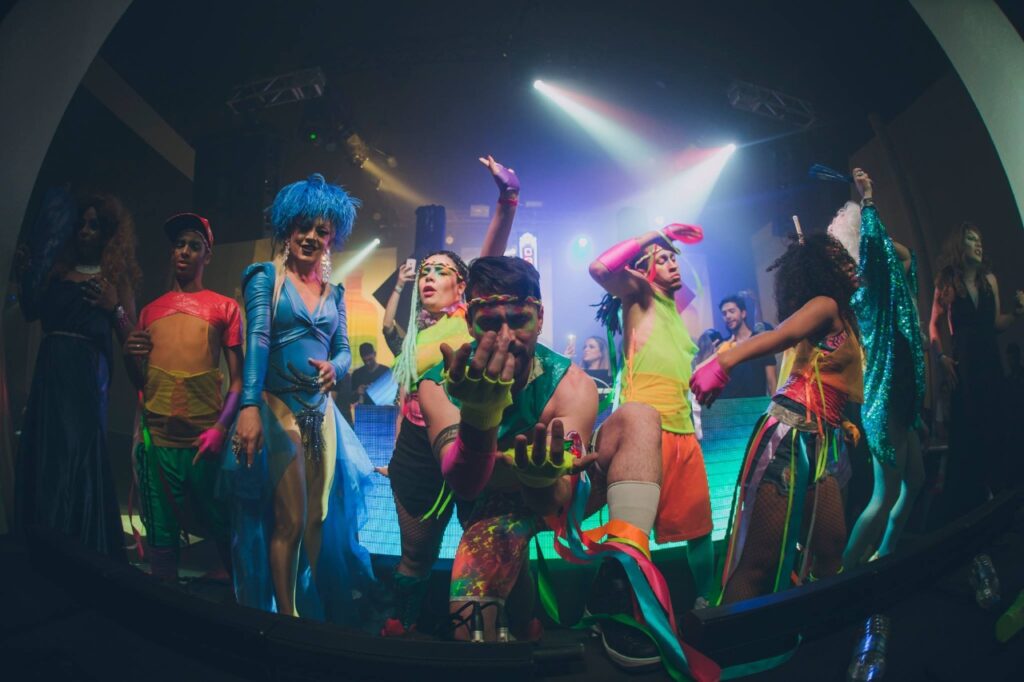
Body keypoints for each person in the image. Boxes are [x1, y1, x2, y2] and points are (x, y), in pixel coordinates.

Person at [418, 257, 716, 681]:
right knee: (472, 635)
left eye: (518, 319)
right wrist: (480, 417)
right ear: (469, 323)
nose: (506, 337)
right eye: (490, 323)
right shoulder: (437, 385)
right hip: (490, 509)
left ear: (539, 318)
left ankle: (619, 582)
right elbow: (466, 486)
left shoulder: (570, 384)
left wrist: (537, 475)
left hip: (555, 495)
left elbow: (557, 499)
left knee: (639, 417)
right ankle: (523, 624)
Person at [379, 156, 520, 636]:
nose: (428, 277)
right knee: (415, 554)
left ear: (462, 285)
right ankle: (403, 627)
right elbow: (406, 399)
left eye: (440, 271)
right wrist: (395, 453)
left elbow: (490, 257)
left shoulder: (470, 317)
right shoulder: (414, 339)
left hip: (471, 439)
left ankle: (503, 627)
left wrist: (507, 200)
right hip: (417, 452)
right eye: (425, 271)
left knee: (485, 549)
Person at [226, 173, 374, 622]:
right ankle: (283, 618)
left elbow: (344, 349)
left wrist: (337, 368)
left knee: (314, 518)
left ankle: (304, 608)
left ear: (332, 238)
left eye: (321, 230)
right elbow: (257, 341)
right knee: (289, 517)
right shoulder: (266, 278)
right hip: (277, 407)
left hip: (321, 414)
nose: (311, 236)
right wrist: (249, 407)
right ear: (287, 229)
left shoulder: (335, 293)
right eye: (303, 226)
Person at [691, 232, 861, 603]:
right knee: (760, 563)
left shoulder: (846, 315)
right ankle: (733, 637)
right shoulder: (826, 304)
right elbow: (783, 335)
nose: (850, 265)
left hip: (820, 440)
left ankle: (816, 627)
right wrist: (722, 362)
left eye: (848, 258)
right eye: (839, 260)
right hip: (790, 435)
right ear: (824, 270)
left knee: (830, 547)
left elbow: (827, 375)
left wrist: (842, 421)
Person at [591, 223, 716, 609]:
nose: (672, 264)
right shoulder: (640, 295)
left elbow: (687, 286)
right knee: (630, 533)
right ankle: (611, 609)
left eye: (672, 259)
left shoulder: (675, 309)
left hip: (683, 433)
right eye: (661, 261)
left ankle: (708, 604)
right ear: (644, 270)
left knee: (701, 530)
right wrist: (654, 235)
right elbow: (599, 269)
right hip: (645, 434)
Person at [15, 188, 140, 558]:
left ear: (107, 234)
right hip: (50, 372)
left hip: (85, 376)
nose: (85, 231)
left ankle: (78, 546)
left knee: (77, 452)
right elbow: (31, 311)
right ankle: (40, 542)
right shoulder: (58, 272)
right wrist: (25, 273)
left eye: (94, 225)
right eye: (81, 224)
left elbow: (131, 339)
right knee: (48, 451)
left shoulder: (113, 279)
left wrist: (114, 307)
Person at [122, 213, 243, 581]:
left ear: (207, 255)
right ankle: (165, 603)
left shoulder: (225, 308)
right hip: (158, 441)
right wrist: (128, 355)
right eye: (179, 244)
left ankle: (239, 602)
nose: (185, 251)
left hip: (203, 441)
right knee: (161, 534)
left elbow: (238, 381)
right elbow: (140, 383)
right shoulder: (149, 311)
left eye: (194, 245)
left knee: (223, 522)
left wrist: (220, 428)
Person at [835, 170, 927, 567]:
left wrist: (873, 227)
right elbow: (878, 250)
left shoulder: (892, 286)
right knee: (883, 494)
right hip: (885, 399)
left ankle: (885, 551)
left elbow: (905, 256)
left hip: (902, 394)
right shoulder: (867, 291)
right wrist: (868, 199)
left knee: (916, 481)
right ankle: (845, 573)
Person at [929, 221, 1024, 520]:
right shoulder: (946, 283)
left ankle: (999, 497)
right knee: (968, 433)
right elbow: (933, 325)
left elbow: (995, 324)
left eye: (980, 239)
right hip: (964, 365)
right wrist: (941, 356)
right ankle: (972, 505)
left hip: (990, 363)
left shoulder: (989, 281)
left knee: (996, 427)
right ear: (960, 244)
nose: (979, 244)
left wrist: (1016, 314)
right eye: (972, 239)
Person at [717, 295, 777, 398]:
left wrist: (775, 406)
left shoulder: (761, 341)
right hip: (729, 405)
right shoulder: (723, 346)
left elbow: (772, 382)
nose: (728, 316)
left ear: (743, 313)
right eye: (724, 314)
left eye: (732, 311)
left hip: (755, 405)